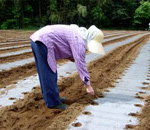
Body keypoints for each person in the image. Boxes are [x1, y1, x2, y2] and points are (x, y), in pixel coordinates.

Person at [30, 24, 105, 110]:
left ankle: (53, 98)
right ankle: (53, 103)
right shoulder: (79, 41)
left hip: (40, 40)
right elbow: (81, 65)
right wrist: (88, 85)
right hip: (42, 41)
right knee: (49, 73)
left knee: (47, 73)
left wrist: (70, 57)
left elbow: (62, 43)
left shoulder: (79, 34)